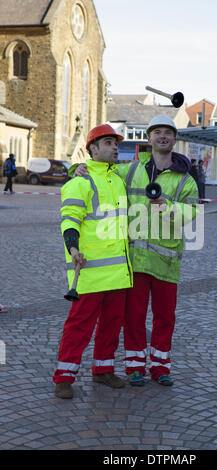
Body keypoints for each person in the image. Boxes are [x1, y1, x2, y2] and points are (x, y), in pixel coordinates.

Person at [72, 115, 199, 387]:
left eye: (168, 132)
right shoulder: (130, 169)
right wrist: (78, 169)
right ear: (149, 138)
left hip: (166, 261)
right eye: (157, 132)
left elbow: (194, 212)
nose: (163, 136)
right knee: (134, 317)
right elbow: (99, 171)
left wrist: (170, 207)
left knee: (165, 318)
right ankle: (135, 367)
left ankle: (161, 367)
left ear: (175, 139)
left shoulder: (185, 179)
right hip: (137, 261)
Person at [53, 124, 133, 399]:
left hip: (118, 271)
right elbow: (70, 219)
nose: (114, 148)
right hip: (88, 270)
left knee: (112, 324)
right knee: (79, 326)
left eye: (115, 144)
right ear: (93, 149)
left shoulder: (119, 178)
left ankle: (103, 370)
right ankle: (64, 377)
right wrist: (72, 248)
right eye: (108, 143)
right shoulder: (80, 181)